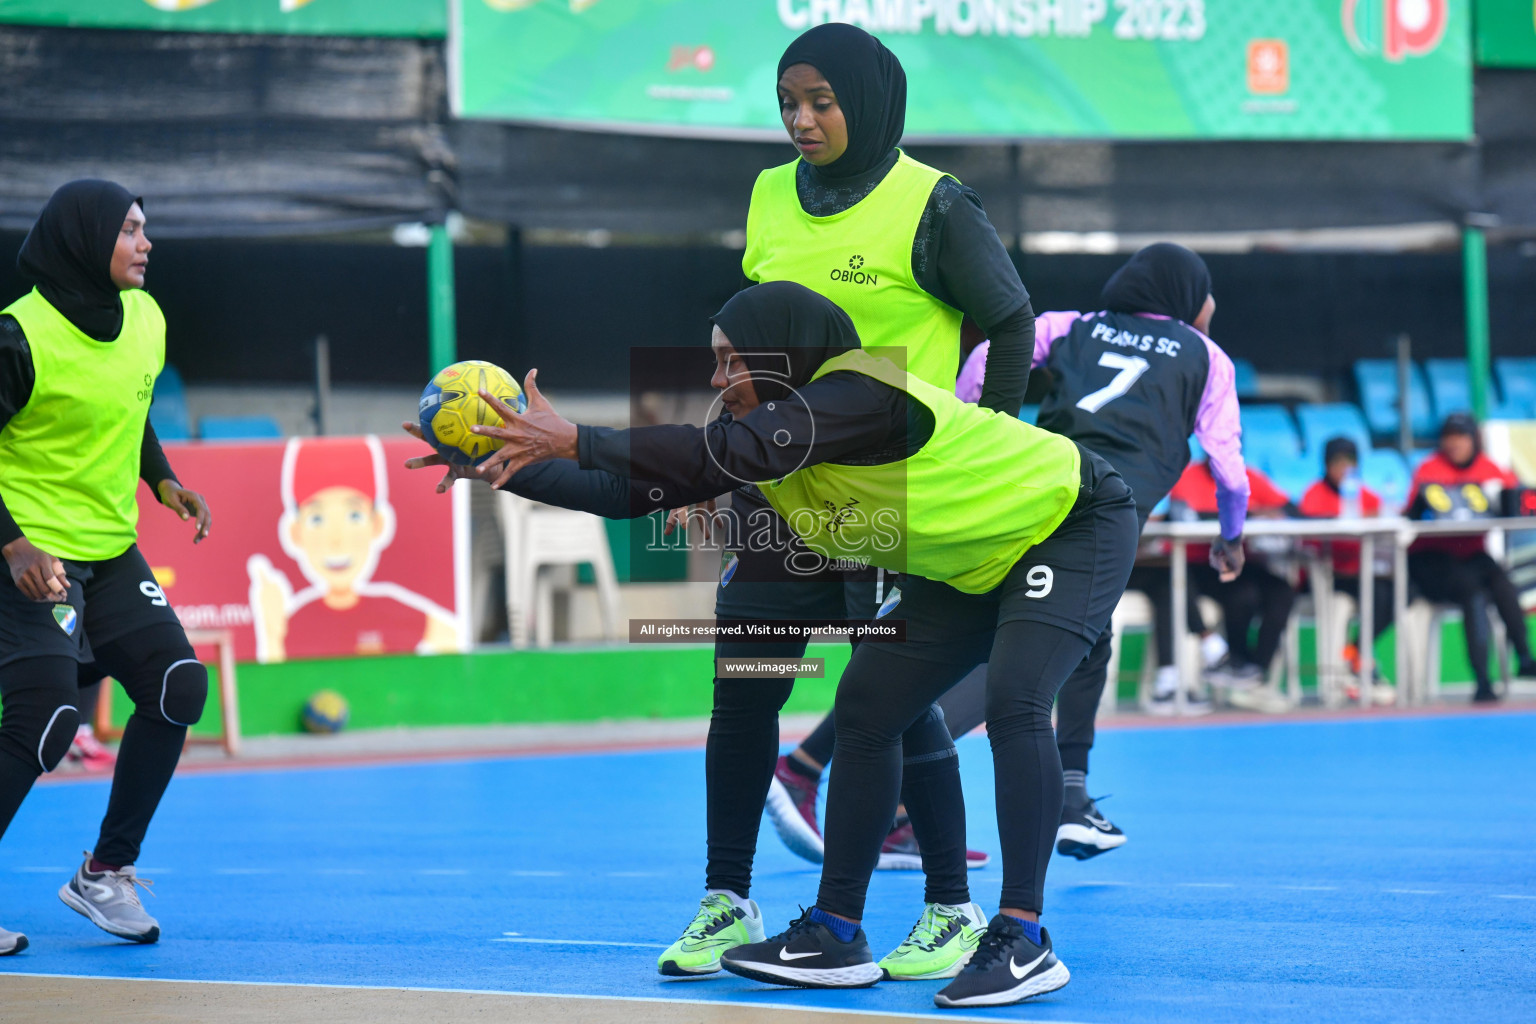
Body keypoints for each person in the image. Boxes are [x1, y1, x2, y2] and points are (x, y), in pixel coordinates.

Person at [431, 282, 1140, 1007]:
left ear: (782, 358)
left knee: (1015, 696)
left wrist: (576, 435)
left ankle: (1021, 936)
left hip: (1069, 520)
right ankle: (836, 935)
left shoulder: (861, 391)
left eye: (730, 362)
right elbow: (634, 491)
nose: (715, 381)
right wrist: (508, 465)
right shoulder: (779, 444)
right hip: (965, 563)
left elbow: (711, 452)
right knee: (868, 706)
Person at [676, 22, 1041, 981]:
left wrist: (986, 438)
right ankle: (726, 899)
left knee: (895, 701)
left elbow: (1010, 319)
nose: (801, 119)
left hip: (890, 491)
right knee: (742, 686)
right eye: (789, 101)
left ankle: (949, 912)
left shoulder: (934, 203)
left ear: (868, 101)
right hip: (777, 483)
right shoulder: (766, 195)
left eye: (822, 102)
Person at [775, 242, 1248, 862]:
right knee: (1026, 653)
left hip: (1022, 488)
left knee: (972, 632)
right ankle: (1058, 800)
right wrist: (1232, 537)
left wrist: (977, 425)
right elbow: (1230, 470)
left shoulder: (1071, 325)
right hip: (1096, 515)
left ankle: (819, 769)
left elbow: (990, 355)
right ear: (1190, 297)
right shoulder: (1206, 357)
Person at [0, 180, 212, 955]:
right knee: (50, 718)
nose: (144, 243)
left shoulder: (146, 319)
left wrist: (162, 480)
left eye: (144, 228)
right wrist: (14, 544)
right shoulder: (18, 336)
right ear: (86, 240)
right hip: (30, 554)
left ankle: (104, 872)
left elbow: (132, 404)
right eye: (129, 229)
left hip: (111, 550)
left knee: (177, 684)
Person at [1406, 413, 1536, 701]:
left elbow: (1517, 499)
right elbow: (1412, 514)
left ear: (1472, 440)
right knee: (1473, 591)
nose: (1454, 444)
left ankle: (1525, 658)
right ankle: (1481, 679)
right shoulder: (1428, 470)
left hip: (1470, 553)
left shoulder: (1490, 469)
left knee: (1501, 581)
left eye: (1460, 437)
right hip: (1431, 558)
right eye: (1449, 437)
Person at [1170, 458, 1297, 690]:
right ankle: (1236, 663)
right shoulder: (1187, 476)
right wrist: (1249, 513)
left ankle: (1256, 672)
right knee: (1242, 593)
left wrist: (1267, 512)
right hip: (1199, 563)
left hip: (1240, 560)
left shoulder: (1248, 475)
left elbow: (1290, 508)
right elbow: (1186, 517)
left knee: (1282, 592)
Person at [1298, 436, 1395, 699]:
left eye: (1349, 462)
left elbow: (1386, 516)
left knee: (1394, 594)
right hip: (1325, 577)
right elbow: (1305, 530)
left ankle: (1356, 652)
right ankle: (1354, 665)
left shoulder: (1362, 493)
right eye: (1337, 462)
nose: (1343, 468)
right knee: (1367, 595)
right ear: (1327, 465)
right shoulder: (1314, 493)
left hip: (1360, 573)